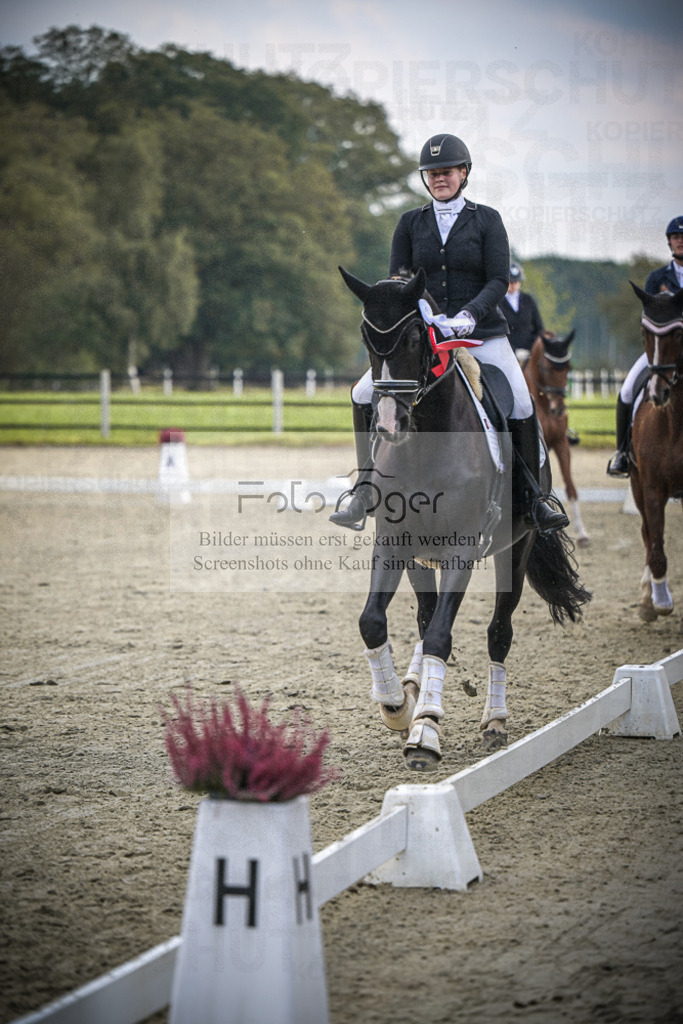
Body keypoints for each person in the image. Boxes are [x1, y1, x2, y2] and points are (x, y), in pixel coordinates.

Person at [330, 132, 568, 534]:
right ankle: (364, 489)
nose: (440, 178)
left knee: (523, 404)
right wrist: (419, 316)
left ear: (463, 173)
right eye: (432, 173)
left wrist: (470, 316)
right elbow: (399, 280)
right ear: (426, 178)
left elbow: (496, 279)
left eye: (447, 172)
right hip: (424, 339)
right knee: (362, 393)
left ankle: (534, 498)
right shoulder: (409, 223)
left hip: (482, 335)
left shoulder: (487, 220)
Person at [607, 214, 683, 477]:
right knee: (627, 391)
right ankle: (623, 454)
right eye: (675, 237)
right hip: (663, 352)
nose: (680, 241)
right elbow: (648, 317)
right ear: (669, 243)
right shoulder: (656, 278)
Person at [502, 262, 544, 366]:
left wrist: (530, 348)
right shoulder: (498, 303)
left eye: (517, 281)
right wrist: (514, 350)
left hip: (529, 353)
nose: (514, 285)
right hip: (506, 352)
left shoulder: (528, 300)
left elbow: (539, 328)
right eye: (511, 282)